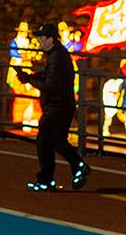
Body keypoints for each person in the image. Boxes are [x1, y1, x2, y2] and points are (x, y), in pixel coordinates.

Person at [16, 23, 90, 191]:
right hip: (62, 104)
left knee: (44, 141)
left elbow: (50, 85)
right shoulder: (57, 54)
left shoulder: (57, 56)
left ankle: (46, 180)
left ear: (50, 39)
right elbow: (49, 76)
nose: (39, 42)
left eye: (42, 38)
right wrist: (30, 76)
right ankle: (79, 166)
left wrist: (29, 79)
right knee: (57, 141)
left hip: (57, 106)